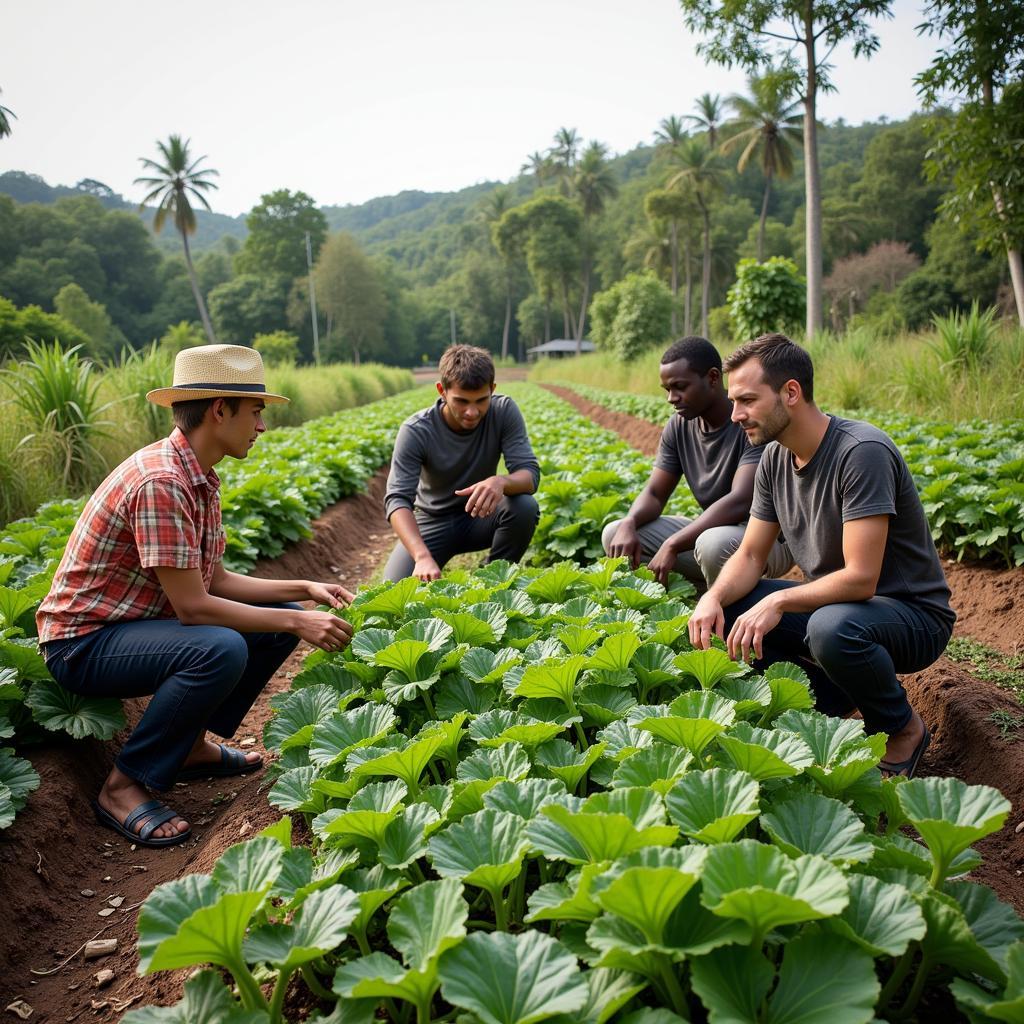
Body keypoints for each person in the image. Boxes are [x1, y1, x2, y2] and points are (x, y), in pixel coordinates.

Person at [36, 345, 356, 847]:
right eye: (255, 412)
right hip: (83, 644)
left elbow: (217, 581)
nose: (261, 426)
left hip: (129, 630)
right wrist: (298, 624)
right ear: (219, 410)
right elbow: (194, 608)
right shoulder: (161, 481)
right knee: (221, 646)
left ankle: (187, 748)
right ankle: (123, 786)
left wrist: (304, 591)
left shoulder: (199, 476)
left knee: (276, 619)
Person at [687, 333, 955, 778]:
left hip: (910, 616)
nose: (735, 415)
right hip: (843, 609)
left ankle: (901, 728)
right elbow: (752, 554)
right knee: (731, 607)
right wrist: (712, 598)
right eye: (734, 401)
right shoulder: (774, 458)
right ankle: (826, 706)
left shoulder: (860, 452)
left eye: (747, 400)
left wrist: (777, 601)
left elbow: (861, 579)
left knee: (829, 628)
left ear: (791, 393)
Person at [603, 336, 792, 590]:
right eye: (667, 389)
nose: (672, 397)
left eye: (680, 387)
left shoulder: (748, 422)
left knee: (713, 544)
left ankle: (736, 604)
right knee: (616, 534)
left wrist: (673, 543)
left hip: (767, 539)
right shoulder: (679, 427)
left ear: (713, 378)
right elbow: (655, 493)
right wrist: (629, 522)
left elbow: (741, 500)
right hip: (715, 534)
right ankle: (699, 592)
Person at [383, 344, 540, 582]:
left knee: (524, 507)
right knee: (395, 588)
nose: (472, 411)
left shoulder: (504, 411)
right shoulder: (416, 430)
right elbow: (397, 500)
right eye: (462, 401)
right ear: (442, 391)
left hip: (480, 516)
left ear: (492, 390)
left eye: (481, 400)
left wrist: (500, 481)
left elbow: (530, 475)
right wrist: (421, 555)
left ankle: (494, 578)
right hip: (432, 522)